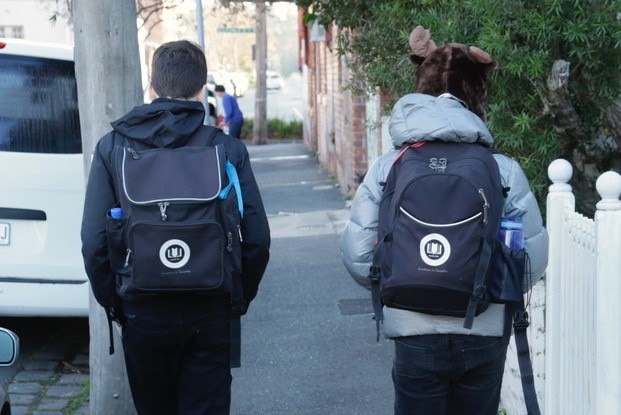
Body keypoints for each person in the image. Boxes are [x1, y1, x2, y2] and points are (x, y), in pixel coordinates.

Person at [340, 26, 548, 415]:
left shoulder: (390, 167)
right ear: (476, 99)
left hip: (412, 329)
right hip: (482, 329)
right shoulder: (501, 170)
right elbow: (530, 262)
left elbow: (357, 254)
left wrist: (398, 280)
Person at [81, 40, 270, 415]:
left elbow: (94, 243)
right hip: (210, 308)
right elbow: (257, 240)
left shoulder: (112, 147)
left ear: (151, 87)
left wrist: (118, 304)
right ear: (201, 90)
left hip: (143, 311)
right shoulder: (227, 150)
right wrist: (237, 298)